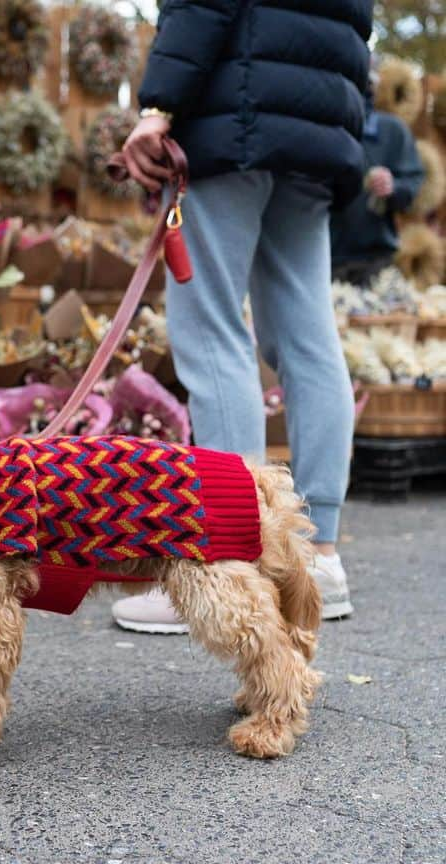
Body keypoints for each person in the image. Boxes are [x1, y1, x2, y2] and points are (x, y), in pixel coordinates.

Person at [113, 0, 372, 632]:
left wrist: (158, 109)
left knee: (211, 329)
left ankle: (232, 560)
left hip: (235, 120)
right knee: (308, 338)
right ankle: (318, 559)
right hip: (316, 131)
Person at [331, 69, 425, 285]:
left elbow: (413, 184)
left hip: (376, 258)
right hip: (323, 254)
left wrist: (394, 187)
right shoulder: (328, 129)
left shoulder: (392, 131)